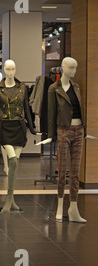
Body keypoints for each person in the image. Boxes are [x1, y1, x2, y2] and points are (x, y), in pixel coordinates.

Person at [37, 57, 95, 223]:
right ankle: (60, 205)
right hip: (63, 130)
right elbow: (50, 113)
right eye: (70, 68)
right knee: (63, 171)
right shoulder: (53, 88)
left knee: (75, 172)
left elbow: (80, 110)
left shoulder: (76, 87)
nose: (73, 71)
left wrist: (84, 130)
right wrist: (49, 135)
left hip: (79, 131)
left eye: (75, 68)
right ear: (62, 67)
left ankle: (74, 208)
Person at [0, 60, 38, 212]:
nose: (11, 72)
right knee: (12, 160)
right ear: (4, 70)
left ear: (15, 69)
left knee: (15, 164)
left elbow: (27, 108)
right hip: (6, 127)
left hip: (19, 127)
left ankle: (11, 200)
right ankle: (9, 200)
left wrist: (31, 128)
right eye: (8, 69)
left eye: (13, 69)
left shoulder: (22, 88)